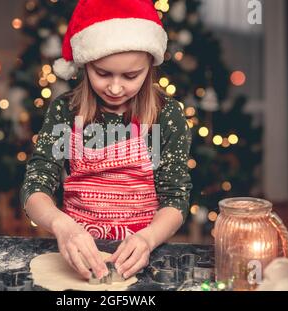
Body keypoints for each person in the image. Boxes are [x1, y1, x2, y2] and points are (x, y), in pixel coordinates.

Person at [21, 0, 192, 281]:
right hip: (77, 255)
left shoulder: (166, 115)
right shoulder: (65, 111)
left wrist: (148, 239)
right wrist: (62, 225)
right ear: (86, 64)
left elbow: (175, 199)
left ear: (150, 64)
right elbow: (35, 185)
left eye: (131, 75)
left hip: (140, 257)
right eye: (102, 73)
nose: (114, 87)